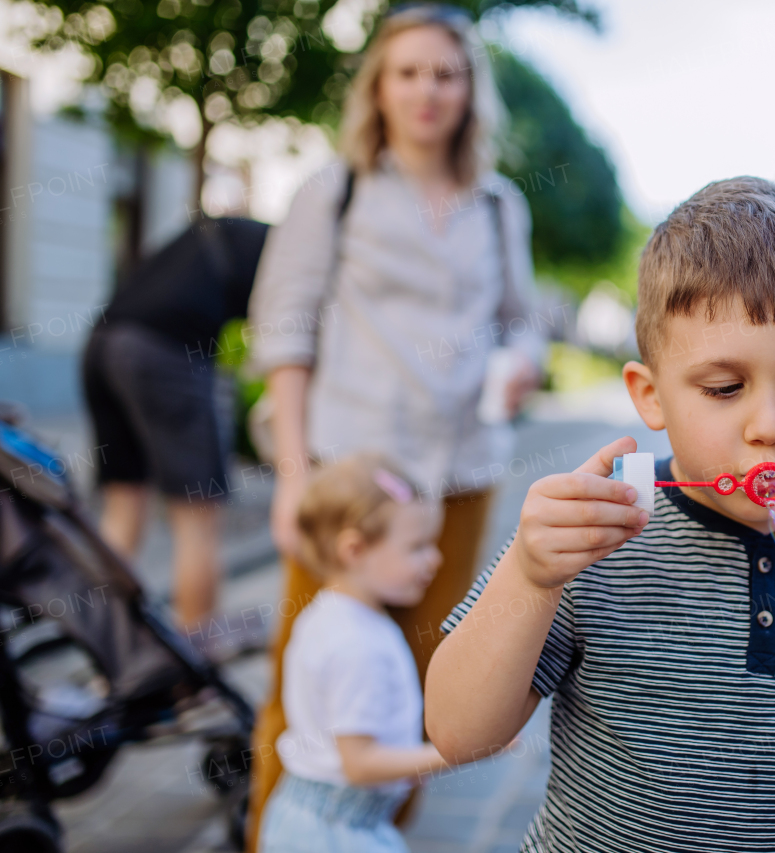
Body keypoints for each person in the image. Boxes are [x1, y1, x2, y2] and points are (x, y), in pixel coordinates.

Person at [425, 178, 775, 852]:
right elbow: (456, 728)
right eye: (723, 387)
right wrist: (530, 579)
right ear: (650, 396)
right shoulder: (591, 537)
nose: (769, 425)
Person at [245, 4, 544, 844]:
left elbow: (521, 320)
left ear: (468, 90)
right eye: (407, 71)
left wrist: (521, 359)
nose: (426, 90)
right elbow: (285, 330)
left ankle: (375, 833)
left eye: (445, 73)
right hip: (354, 478)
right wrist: (296, 475)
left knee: (424, 675)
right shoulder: (332, 190)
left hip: (460, 474)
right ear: (379, 87)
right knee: (308, 677)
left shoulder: (498, 205)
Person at [82, 217, 269, 646]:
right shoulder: (290, 251)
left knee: (123, 508)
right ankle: (196, 668)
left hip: (103, 341)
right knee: (198, 520)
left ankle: (107, 654)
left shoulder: (238, 233)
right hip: (164, 350)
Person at [258, 454, 448, 853]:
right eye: (417, 546)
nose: (436, 559)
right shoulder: (357, 644)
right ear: (354, 549)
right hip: (338, 834)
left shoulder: (327, 615)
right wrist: (455, 753)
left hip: (307, 819)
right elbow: (360, 764)